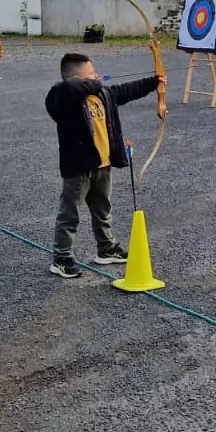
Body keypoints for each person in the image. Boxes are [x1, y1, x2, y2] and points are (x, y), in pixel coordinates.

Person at [44, 52, 164, 279]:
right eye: (91, 74)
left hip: (103, 165)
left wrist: (155, 81)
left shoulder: (103, 94)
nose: (97, 77)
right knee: (69, 215)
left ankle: (106, 248)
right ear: (77, 78)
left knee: (103, 211)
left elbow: (128, 90)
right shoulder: (62, 97)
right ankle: (61, 259)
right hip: (78, 169)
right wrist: (90, 83)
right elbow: (66, 89)